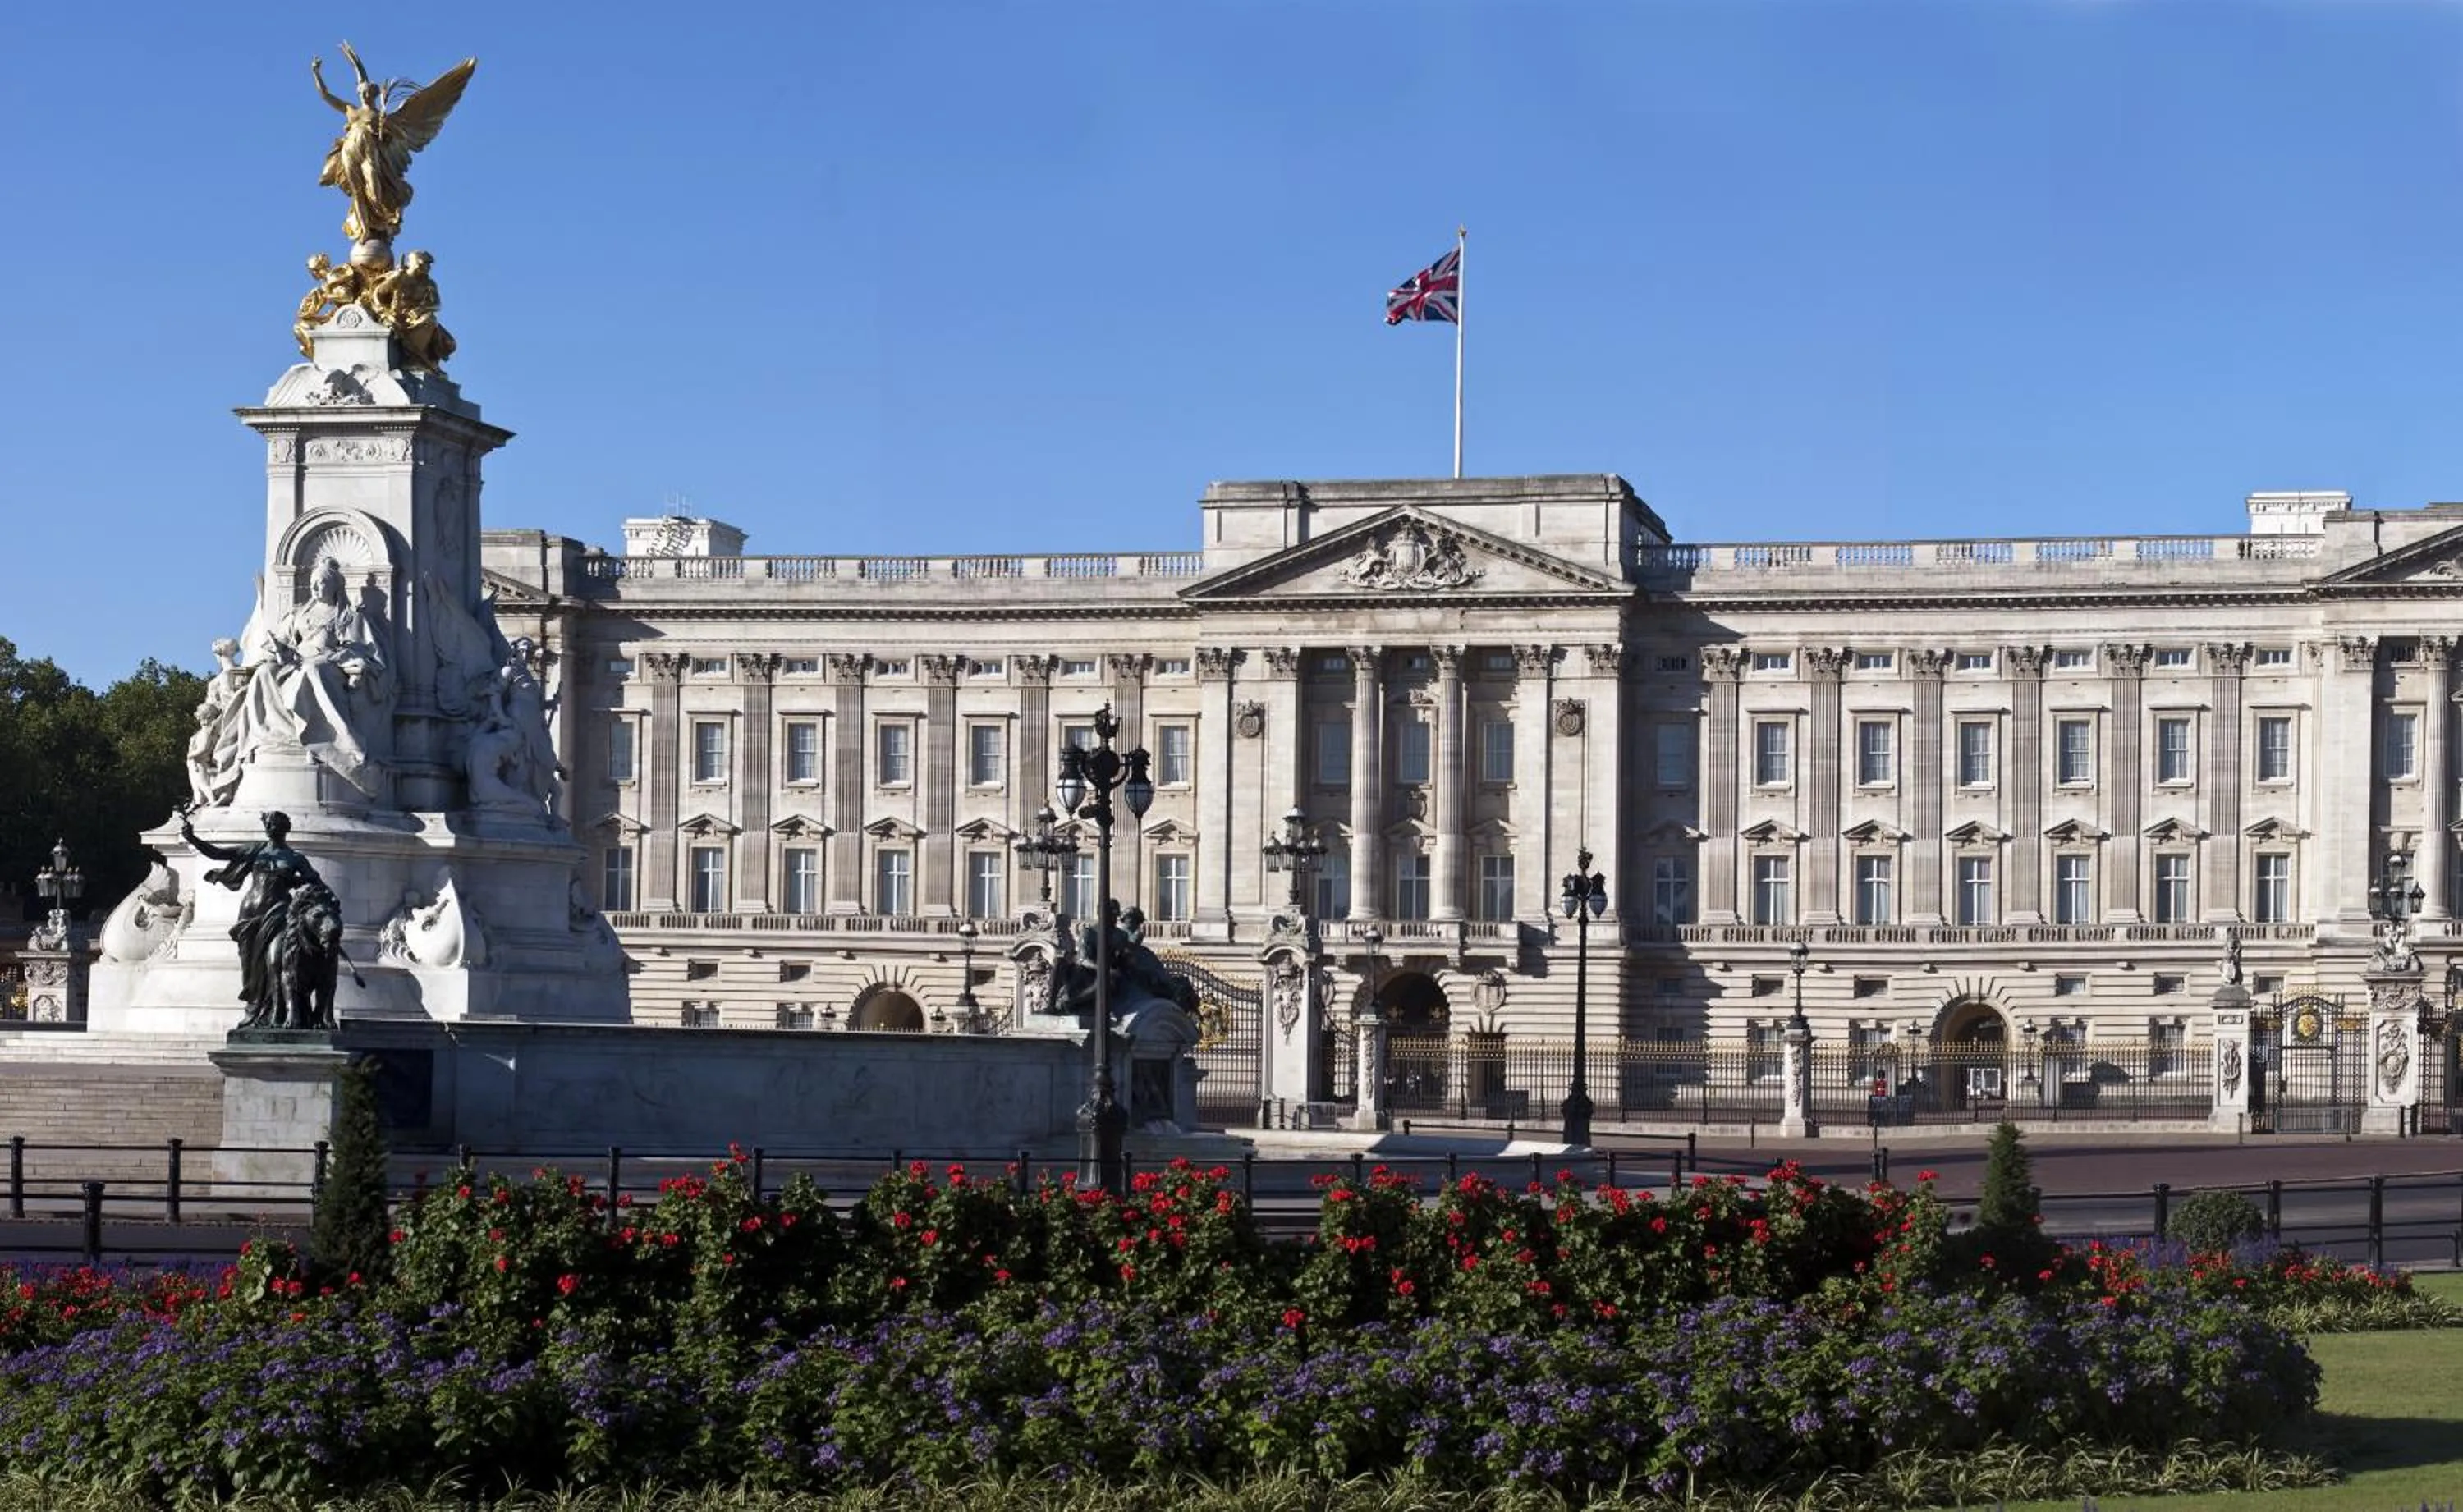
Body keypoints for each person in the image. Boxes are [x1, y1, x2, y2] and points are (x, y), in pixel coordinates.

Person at [240, 557, 392, 793]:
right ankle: (275, 736)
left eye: (320, 582)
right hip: (295, 662)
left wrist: (337, 656)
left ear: (334, 586)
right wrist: (278, 650)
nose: (314, 587)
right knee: (263, 672)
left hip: (327, 664)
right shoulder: (300, 613)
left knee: (313, 670)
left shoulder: (349, 616)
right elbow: (281, 639)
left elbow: (362, 648)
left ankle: (332, 737)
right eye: (312, 582)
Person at [180, 806, 328, 1027]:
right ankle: (255, 1009)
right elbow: (218, 854)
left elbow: (315, 882)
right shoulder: (255, 850)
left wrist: (316, 894)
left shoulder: (295, 858)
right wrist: (192, 838)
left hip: (279, 911)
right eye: (268, 825)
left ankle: (278, 1010)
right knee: (250, 964)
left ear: (284, 829)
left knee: (276, 960)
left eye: (274, 825)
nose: (270, 829)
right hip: (250, 913)